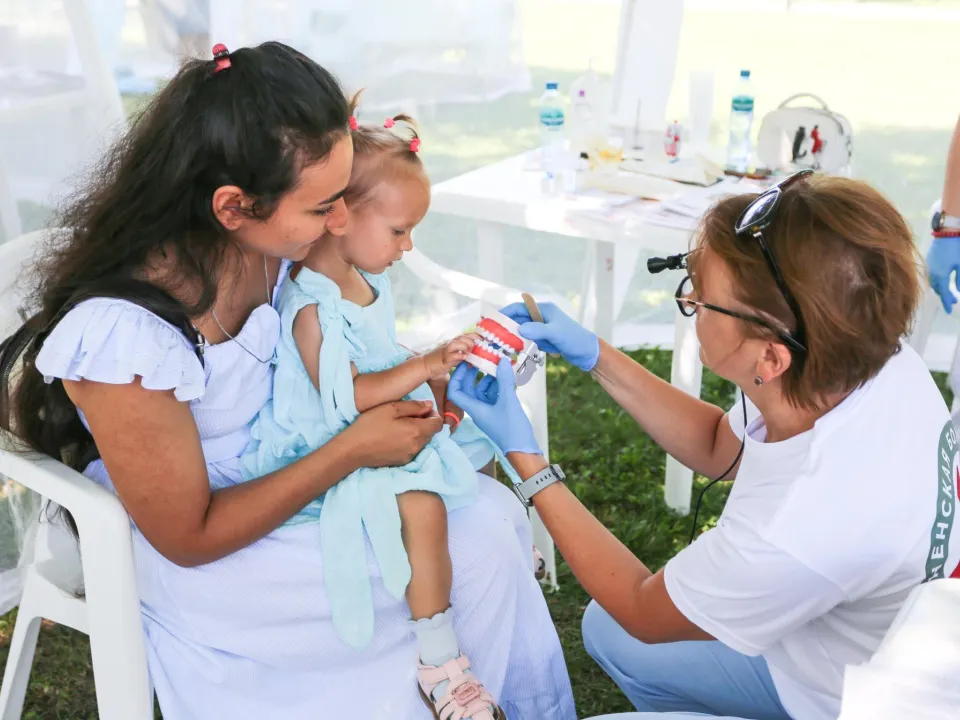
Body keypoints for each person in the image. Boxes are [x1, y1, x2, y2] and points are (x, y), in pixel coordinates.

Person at [0, 43, 575, 720]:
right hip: (208, 541)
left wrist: (415, 388)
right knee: (468, 548)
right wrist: (354, 449)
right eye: (324, 205)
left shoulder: (267, 250)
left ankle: (470, 691)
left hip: (298, 460)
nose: (341, 222)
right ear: (233, 205)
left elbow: (322, 363)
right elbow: (189, 536)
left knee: (483, 519)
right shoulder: (126, 337)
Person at [449, 170, 960, 720]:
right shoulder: (870, 360)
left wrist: (524, 456)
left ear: (770, 358)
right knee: (605, 628)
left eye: (703, 298)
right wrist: (595, 353)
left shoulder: (798, 526)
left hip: (850, 701)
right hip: (862, 647)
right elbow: (722, 445)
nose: (689, 297)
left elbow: (645, 611)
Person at [240, 101, 530, 720]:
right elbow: (342, 394)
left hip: (369, 414)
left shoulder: (369, 278)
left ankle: (488, 559)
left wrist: (431, 386)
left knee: (475, 438)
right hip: (325, 438)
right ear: (339, 218)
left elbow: (376, 356)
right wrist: (423, 367)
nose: (408, 245)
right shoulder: (312, 300)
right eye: (399, 231)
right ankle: (441, 663)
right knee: (421, 505)